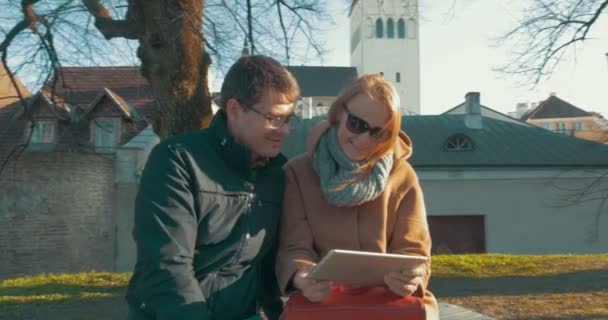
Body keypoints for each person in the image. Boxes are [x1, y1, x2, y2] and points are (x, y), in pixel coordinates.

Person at [126, 55, 300, 320]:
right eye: (274, 118)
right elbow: (167, 266)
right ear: (234, 110)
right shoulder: (177, 160)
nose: (284, 131)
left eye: (289, 119)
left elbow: (269, 265)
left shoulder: (279, 173)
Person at [275, 74, 439, 319]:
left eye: (379, 133)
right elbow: (294, 247)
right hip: (324, 303)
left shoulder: (403, 175)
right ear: (339, 113)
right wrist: (303, 276)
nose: (364, 140)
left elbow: (414, 251)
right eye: (357, 125)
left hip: (390, 303)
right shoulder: (298, 173)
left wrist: (410, 278)